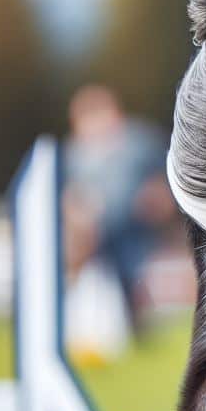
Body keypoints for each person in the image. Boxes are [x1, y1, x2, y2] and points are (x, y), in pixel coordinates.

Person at [63, 85, 173, 334]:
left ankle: (136, 325)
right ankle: (82, 324)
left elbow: (165, 175)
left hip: (134, 225)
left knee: (130, 276)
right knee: (88, 276)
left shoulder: (140, 142)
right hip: (93, 230)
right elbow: (70, 191)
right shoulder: (74, 153)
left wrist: (158, 196)